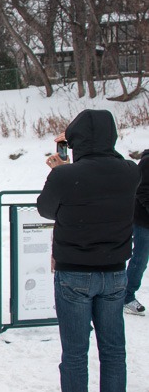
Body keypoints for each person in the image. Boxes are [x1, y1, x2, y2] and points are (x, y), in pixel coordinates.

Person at [37, 109, 139, 392]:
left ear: (75, 142)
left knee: (74, 354)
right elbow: (105, 175)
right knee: (114, 351)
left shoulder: (66, 176)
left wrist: (63, 169)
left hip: (74, 273)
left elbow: (46, 209)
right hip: (115, 272)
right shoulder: (131, 171)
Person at [125, 148, 149, 315]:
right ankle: (127, 296)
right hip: (144, 221)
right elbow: (140, 189)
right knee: (140, 259)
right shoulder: (147, 161)